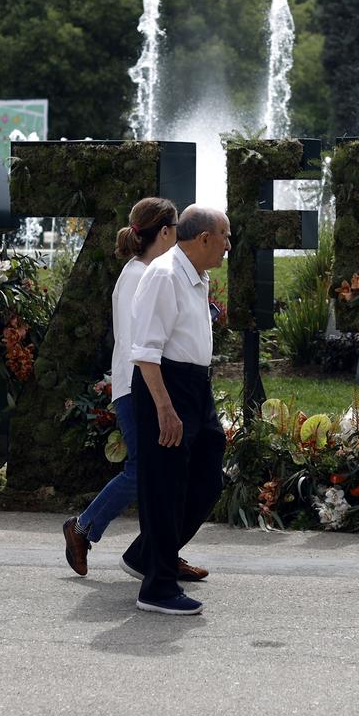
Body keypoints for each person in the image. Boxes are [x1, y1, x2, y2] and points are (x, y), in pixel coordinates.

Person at [61, 198, 209, 583]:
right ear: (164, 232)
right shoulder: (141, 275)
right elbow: (140, 343)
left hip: (146, 384)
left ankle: (160, 551)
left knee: (168, 472)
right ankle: (84, 527)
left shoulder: (154, 272)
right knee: (145, 469)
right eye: (177, 228)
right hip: (136, 387)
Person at [124, 205, 232, 615]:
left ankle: (147, 555)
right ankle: (157, 587)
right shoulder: (164, 274)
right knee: (165, 487)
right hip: (164, 386)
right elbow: (146, 352)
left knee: (207, 480)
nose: (227, 246)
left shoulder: (196, 276)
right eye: (225, 237)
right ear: (204, 238)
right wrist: (164, 408)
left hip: (194, 386)